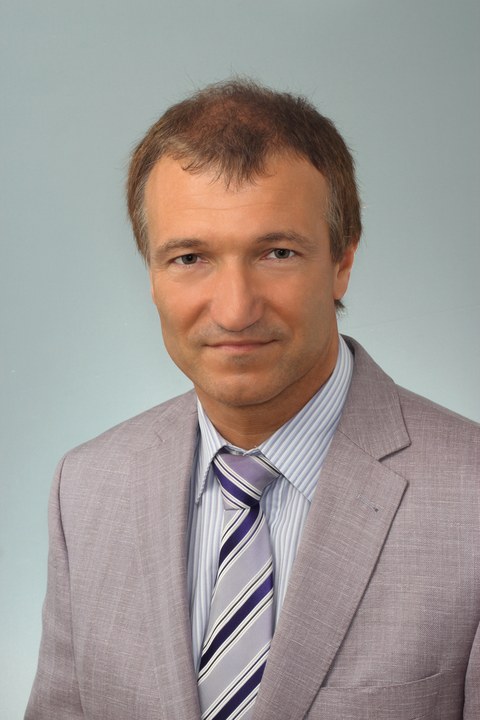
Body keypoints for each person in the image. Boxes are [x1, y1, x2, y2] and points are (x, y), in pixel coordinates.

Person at [26, 79, 479, 720]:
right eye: (190, 258)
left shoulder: (470, 498)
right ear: (151, 273)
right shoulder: (87, 489)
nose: (235, 310)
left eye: (277, 252)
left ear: (342, 262)